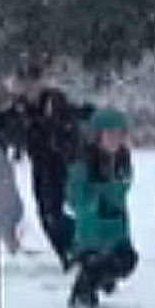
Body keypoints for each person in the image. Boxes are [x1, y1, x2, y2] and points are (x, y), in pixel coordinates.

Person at [17, 62, 94, 270]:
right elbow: (14, 129)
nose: (29, 87)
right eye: (25, 83)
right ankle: (69, 250)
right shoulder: (23, 106)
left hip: (60, 163)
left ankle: (77, 248)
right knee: (45, 213)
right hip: (40, 164)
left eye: (33, 82)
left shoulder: (54, 100)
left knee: (55, 211)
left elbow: (72, 118)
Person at [65, 108, 137, 308]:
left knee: (126, 260)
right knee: (97, 261)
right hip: (92, 227)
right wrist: (96, 199)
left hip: (117, 226)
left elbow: (123, 186)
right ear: (98, 136)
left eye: (119, 134)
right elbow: (75, 195)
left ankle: (100, 278)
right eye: (109, 134)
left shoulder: (122, 158)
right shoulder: (85, 161)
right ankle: (84, 289)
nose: (115, 140)